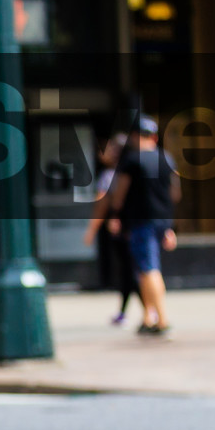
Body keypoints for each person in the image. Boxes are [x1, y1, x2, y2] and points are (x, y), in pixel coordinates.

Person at [105, 116, 179, 336]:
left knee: (148, 269)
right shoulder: (167, 158)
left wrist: (116, 214)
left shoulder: (132, 160)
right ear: (154, 137)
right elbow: (175, 192)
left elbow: (120, 193)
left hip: (141, 221)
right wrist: (170, 224)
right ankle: (149, 317)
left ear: (136, 137)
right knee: (145, 269)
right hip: (162, 219)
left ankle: (162, 320)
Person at [82, 133, 138, 325]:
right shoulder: (136, 171)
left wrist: (91, 230)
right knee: (135, 271)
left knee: (133, 273)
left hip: (125, 229)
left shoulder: (112, 175)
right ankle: (145, 311)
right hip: (139, 227)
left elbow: (102, 205)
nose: (100, 153)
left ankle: (150, 311)